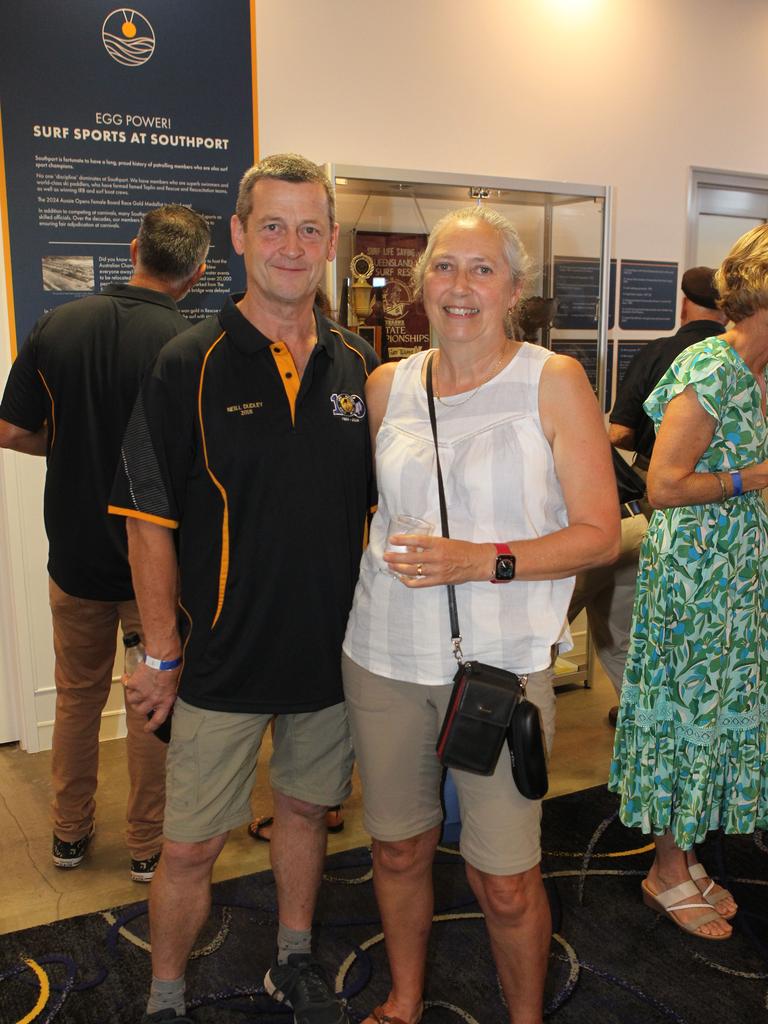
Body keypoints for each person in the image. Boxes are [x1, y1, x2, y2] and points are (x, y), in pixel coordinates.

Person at [109, 154, 377, 1024]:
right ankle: (166, 997)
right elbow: (147, 517)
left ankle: (293, 960)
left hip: (330, 655)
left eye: (309, 228)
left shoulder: (360, 366)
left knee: (305, 814)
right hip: (218, 656)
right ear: (237, 236)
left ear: (332, 242)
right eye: (273, 225)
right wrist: (159, 650)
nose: (291, 246)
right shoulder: (187, 361)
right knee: (189, 848)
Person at [342, 205, 620, 1024]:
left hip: (497, 669)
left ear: (515, 288)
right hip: (382, 655)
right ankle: (403, 995)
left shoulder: (553, 380)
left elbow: (600, 535)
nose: (460, 287)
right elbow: (374, 515)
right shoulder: (387, 384)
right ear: (421, 283)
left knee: (504, 879)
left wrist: (481, 559)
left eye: (481, 269)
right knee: (396, 847)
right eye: (443, 267)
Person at [0, 205, 209, 881]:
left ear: (133, 248)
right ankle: (147, 846)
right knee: (154, 701)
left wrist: (63, 446)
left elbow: (8, 430)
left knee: (76, 696)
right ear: (197, 272)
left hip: (75, 554)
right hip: (160, 568)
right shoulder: (190, 345)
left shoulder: (59, 324)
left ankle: (67, 836)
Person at [609, 224, 768, 941]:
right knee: (690, 718)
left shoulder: (759, 372)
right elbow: (664, 485)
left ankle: (687, 855)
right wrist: (752, 478)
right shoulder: (711, 366)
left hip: (737, 576)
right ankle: (665, 871)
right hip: (695, 579)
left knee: (717, 717)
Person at [575, 268, 729, 725]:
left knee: (558, 622)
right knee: (651, 630)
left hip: (634, 512)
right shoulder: (737, 362)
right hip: (698, 521)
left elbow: (619, 431)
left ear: (684, 304)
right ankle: (646, 718)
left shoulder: (662, 353)